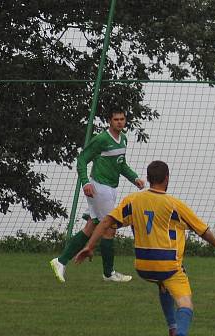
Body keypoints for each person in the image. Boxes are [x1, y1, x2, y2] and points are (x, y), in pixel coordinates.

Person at [74, 160, 215, 336]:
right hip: (167, 265)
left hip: (143, 267)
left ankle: (172, 329)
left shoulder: (133, 200)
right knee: (185, 300)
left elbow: (106, 222)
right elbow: (202, 230)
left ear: (149, 178)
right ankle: (181, 335)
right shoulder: (174, 204)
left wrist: (90, 246)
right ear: (167, 178)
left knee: (163, 285)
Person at [50, 108, 145, 283]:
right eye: (116, 119)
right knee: (109, 228)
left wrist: (135, 178)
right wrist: (85, 182)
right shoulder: (101, 139)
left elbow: (121, 164)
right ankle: (108, 273)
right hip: (99, 187)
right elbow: (82, 159)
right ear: (110, 121)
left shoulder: (123, 139)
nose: (119, 122)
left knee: (91, 227)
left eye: (122, 119)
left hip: (109, 188)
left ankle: (61, 261)